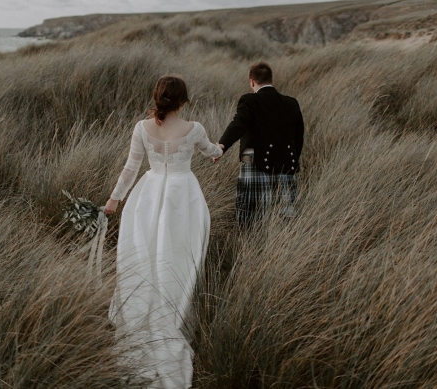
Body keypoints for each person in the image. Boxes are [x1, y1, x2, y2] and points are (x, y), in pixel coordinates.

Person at [103, 75, 223, 388]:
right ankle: (173, 308)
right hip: (183, 197)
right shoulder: (193, 128)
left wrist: (114, 199)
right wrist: (219, 150)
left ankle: (149, 308)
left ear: (158, 99)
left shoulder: (142, 128)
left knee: (146, 253)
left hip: (149, 196)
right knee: (178, 254)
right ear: (183, 101)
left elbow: (131, 168)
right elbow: (212, 149)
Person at [215, 61, 304, 226]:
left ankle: (249, 246)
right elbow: (298, 137)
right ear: (271, 80)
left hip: (254, 161)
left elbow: (238, 124)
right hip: (286, 163)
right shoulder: (292, 103)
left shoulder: (249, 100)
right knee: (285, 219)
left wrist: (222, 145)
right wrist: (291, 160)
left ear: (252, 82)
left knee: (249, 216)